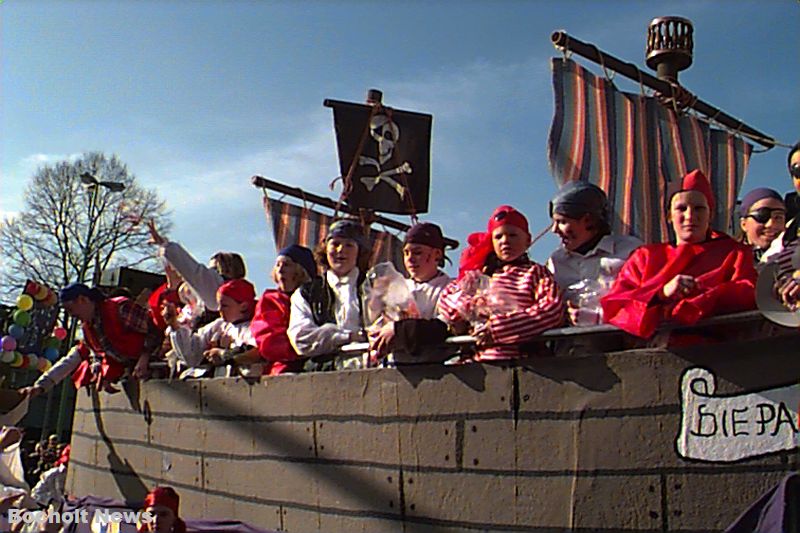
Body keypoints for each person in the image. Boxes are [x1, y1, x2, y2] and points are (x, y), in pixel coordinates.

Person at [601, 169, 757, 338]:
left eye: (699, 209)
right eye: (681, 209)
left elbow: (749, 292)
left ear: (709, 214)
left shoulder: (735, 253)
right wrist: (661, 294)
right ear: (669, 216)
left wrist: (702, 297)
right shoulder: (644, 257)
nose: (690, 216)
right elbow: (617, 307)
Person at [437, 205, 565, 360]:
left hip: (523, 363)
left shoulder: (536, 273)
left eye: (513, 235)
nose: (505, 241)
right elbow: (446, 298)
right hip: (475, 364)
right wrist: (466, 308)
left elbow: (552, 310)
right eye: (498, 237)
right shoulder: (480, 275)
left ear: (528, 240)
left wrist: (499, 328)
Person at [21, 283, 163, 398]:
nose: (72, 316)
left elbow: (155, 330)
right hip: (138, 377)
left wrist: (144, 357)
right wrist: (103, 373)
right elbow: (85, 357)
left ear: (82, 299)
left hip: (161, 368)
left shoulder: (120, 308)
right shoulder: (88, 329)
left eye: (71, 310)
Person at [546, 181, 642, 325]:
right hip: (569, 344)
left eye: (562, 222)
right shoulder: (556, 262)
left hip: (622, 341)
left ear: (588, 220)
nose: (554, 230)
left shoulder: (629, 251)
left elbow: (644, 301)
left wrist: (597, 318)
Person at [288, 219, 369, 368]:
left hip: (369, 369)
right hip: (323, 373)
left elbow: (383, 330)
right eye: (335, 244)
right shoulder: (307, 293)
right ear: (325, 249)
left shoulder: (374, 287)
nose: (340, 250)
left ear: (359, 251)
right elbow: (301, 339)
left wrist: (326, 335)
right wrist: (349, 336)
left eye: (349, 245)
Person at [370, 222, 453, 361]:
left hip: (435, 368)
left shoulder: (451, 288)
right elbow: (381, 324)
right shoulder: (396, 288)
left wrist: (399, 330)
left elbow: (444, 327)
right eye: (406, 253)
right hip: (395, 369)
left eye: (417, 252)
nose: (410, 258)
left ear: (437, 254)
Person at [164, 278, 258, 376]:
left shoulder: (255, 327)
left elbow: (256, 353)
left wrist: (224, 354)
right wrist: (174, 325)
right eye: (219, 305)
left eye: (224, 305)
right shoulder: (219, 325)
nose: (219, 310)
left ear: (243, 306)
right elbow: (192, 356)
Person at [148, 220, 246, 313]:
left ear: (226, 269)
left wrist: (164, 244)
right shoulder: (239, 299)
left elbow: (193, 271)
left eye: (214, 269)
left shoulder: (216, 287)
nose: (209, 272)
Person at [248, 245, 316, 375]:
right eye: (277, 265)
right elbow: (268, 340)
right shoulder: (270, 301)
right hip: (285, 366)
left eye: (286, 265)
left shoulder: (318, 297)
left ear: (300, 270)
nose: (280, 270)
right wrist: (301, 348)